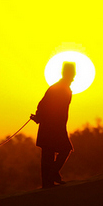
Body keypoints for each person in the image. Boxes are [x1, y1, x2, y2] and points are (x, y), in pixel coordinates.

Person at [31, 61, 76, 189]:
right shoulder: (61, 88)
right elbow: (45, 106)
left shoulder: (60, 88)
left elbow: (42, 105)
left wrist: (39, 117)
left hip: (52, 128)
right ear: (67, 73)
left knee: (49, 155)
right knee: (62, 150)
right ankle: (51, 176)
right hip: (53, 128)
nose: (74, 76)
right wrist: (40, 117)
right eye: (72, 73)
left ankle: (49, 180)